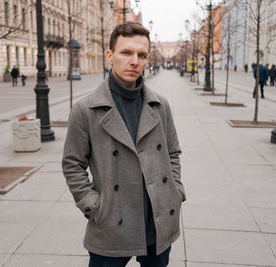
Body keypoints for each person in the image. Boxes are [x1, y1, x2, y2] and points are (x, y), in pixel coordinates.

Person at [62, 21, 185, 267]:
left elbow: (172, 153)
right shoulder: (86, 109)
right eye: (126, 53)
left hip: (157, 220)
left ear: (148, 59)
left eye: (141, 55)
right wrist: (93, 207)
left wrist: (175, 191)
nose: (134, 61)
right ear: (110, 56)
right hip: (111, 223)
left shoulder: (160, 105)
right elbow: (72, 163)